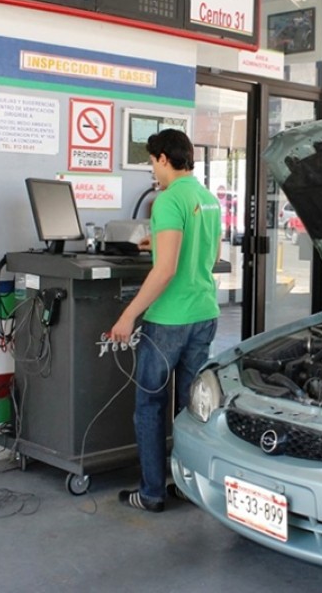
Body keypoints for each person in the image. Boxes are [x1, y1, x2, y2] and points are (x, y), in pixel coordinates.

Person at [109, 129, 222, 513]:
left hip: (169, 320)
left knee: (150, 407)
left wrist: (128, 314)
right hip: (204, 313)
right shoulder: (207, 199)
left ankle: (153, 492)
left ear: (161, 159)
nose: (152, 172)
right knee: (192, 410)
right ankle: (190, 488)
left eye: (151, 163)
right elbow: (207, 254)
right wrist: (157, 241)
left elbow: (166, 269)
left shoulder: (168, 200)